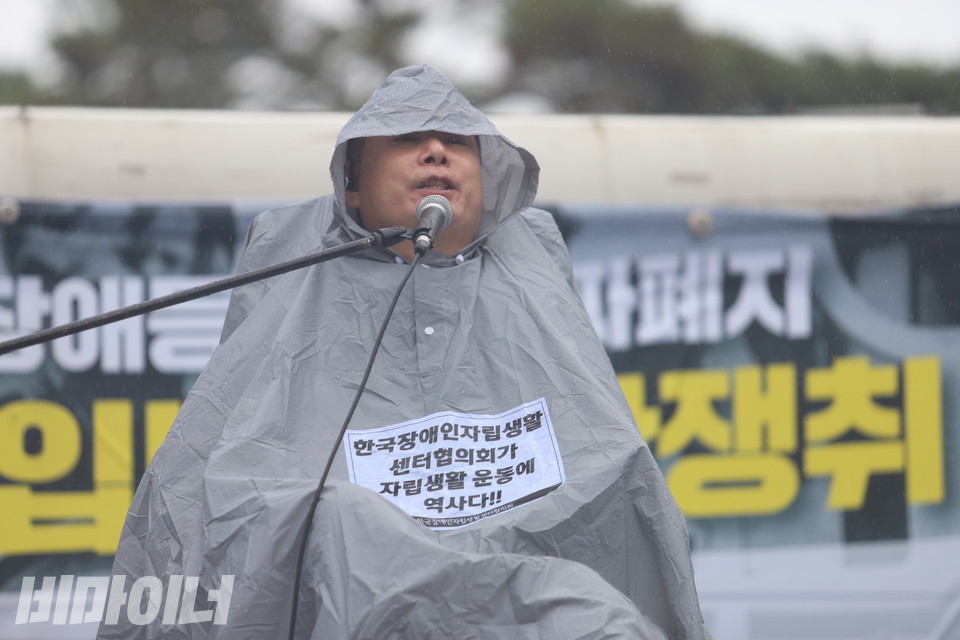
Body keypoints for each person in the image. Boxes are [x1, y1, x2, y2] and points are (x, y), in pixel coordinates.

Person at [99, 65, 709, 639]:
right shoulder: (297, 276)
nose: (438, 151)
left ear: (490, 183)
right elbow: (224, 493)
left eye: (458, 142)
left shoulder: (533, 279)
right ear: (353, 188)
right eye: (409, 138)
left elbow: (611, 480)